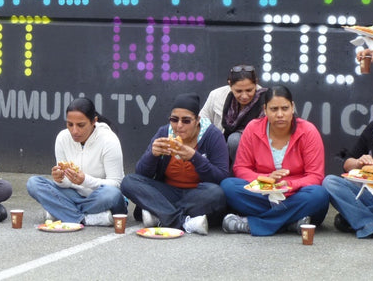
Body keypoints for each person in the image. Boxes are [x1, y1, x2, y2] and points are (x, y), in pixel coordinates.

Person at [220, 85, 330, 236]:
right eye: (274, 109)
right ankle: (290, 222)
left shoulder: (308, 131)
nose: (280, 114)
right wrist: (265, 180)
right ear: (265, 110)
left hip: (295, 195)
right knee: (228, 186)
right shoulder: (253, 128)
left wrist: (290, 184)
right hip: (263, 195)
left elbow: (315, 176)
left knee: (319, 195)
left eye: (285, 108)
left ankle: (251, 224)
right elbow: (241, 168)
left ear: (293, 107)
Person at [121, 93, 229, 235]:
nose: (179, 126)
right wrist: (152, 156)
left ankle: (160, 214)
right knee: (128, 181)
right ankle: (182, 222)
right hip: (167, 191)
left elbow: (221, 176)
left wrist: (195, 157)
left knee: (216, 194)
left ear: (197, 121)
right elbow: (141, 173)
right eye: (174, 119)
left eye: (186, 121)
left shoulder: (212, 135)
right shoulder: (164, 133)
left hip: (197, 194)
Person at [26, 97, 127, 226]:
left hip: (100, 197)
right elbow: (65, 184)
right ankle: (85, 219)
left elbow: (116, 184)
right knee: (34, 183)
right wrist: (60, 179)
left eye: (81, 125)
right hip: (73, 195)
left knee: (112, 194)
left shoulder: (109, 140)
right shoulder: (62, 138)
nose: (74, 131)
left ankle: (61, 212)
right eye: (70, 124)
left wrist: (85, 180)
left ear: (93, 121)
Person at [322, 84, 373, 238]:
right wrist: (358, 163)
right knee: (330, 182)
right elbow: (347, 163)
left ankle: (358, 219)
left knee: (342, 220)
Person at [199, 64, 266, 165]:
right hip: (219, 148)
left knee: (235, 140)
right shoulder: (216, 96)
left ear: (256, 83)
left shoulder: (267, 99)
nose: (244, 96)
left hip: (254, 152)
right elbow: (201, 124)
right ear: (230, 85)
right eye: (238, 91)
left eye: (249, 90)